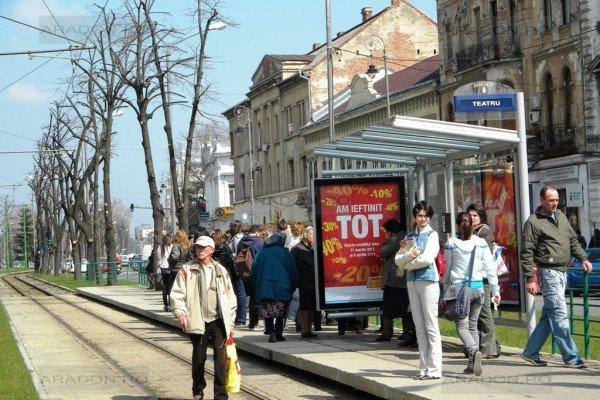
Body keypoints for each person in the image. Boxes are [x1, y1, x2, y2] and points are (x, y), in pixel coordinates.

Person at [521, 186, 592, 369]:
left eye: (557, 200)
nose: (555, 203)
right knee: (560, 314)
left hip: (563, 271)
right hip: (548, 272)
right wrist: (530, 279)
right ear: (542, 200)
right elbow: (526, 252)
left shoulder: (561, 216)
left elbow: (573, 240)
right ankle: (571, 357)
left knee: (549, 315)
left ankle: (530, 352)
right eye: (551, 200)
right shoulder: (533, 222)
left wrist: (583, 258)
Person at [170, 236, 237, 400]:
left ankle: (220, 396)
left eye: (202, 248)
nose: (199, 250)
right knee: (199, 359)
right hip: (197, 320)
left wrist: (231, 322)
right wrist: (180, 313)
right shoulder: (186, 269)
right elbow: (177, 294)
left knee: (221, 362)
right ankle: (198, 389)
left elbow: (230, 297)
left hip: (218, 322)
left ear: (211, 250)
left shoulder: (221, 270)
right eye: (197, 247)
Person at [444, 212, 500, 376]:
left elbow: (448, 270)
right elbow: (490, 269)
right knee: (473, 325)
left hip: (460, 291)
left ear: (456, 225)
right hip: (479, 289)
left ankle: (474, 350)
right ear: (472, 224)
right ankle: (473, 364)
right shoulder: (481, 243)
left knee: (461, 326)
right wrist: (496, 290)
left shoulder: (452, 243)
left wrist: (445, 287)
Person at [394, 200, 442, 380]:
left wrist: (408, 264)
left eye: (426, 216)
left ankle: (435, 368)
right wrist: (409, 256)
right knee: (419, 327)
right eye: (420, 215)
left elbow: (427, 259)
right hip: (412, 283)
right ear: (415, 216)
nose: (423, 219)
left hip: (428, 281)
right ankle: (423, 367)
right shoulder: (409, 236)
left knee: (431, 325)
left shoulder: (432, 235)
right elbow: (398, 259)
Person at [466, 204, 501, 359]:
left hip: (484, 278)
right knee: (474, 314)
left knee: (485, 312)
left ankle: (489, 348)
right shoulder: (467, 230)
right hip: (470, 277)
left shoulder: (484, 231)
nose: (472, 218)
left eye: (475, 216)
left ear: (481, 217)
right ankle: (479, 345)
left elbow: (485, 252)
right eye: (470, 215)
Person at [251, 231, 298, 343]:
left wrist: (255, 284)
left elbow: (254, 270)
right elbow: (292, 271)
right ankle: (279, 333)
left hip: (265, 286)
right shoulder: (286, 253)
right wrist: (294, 284)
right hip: (282, 287)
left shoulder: (261, 253)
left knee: (267, 310)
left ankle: (271, 332)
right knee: (281, 311)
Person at [377, 219, 410, 342]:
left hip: (393, 279)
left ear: (391, 230)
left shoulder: (396, 239)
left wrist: (387, 240)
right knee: (405, 308)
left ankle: (387, 332)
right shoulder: (407, 235)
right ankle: (407, 331)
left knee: (388, 308)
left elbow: (383, 252)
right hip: (404, 279)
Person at [290, 226, 319, 338]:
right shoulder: (297, 249)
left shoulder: (313, 248)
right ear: (306, 235)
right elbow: (293, 267)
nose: (314, 238)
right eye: (312, 235)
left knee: (311, 307)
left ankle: (309, 329)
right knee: (305, 307)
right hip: (302, 283)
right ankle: (304, 329)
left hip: (313, 283)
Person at [237, 225, 265, 330]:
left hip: (243, 272)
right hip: (256, 273)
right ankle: (254, 322)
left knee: (242, 296)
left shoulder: (241, 242)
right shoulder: (260, 242)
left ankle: (241, 318)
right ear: (257, 232)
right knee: (255, 298)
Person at [286, 222, 307, 331]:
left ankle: (294, 320)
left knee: (295, 298)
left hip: (295, 272)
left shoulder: (291, 242)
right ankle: (299, 322)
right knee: (301, 300)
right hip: (304, 273)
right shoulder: (302, 243)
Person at [158, 234, 173, 311]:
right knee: (170, 286)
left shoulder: (160, 248)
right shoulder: (172, 246)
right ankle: (170, 304)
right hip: (170, 267)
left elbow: (159, 259)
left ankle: (165, 305)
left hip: (163, 268)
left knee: (165, 286)